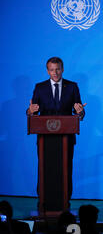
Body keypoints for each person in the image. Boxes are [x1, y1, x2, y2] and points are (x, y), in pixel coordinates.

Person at [26, 57, 86, 204]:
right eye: (52, 70)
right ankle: (44, 200)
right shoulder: (40, 87)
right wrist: (30, 111)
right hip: (45, 140)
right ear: (47, 71)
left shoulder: (72, 87)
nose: (55, 73)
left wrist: (80, 112)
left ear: (62, 69)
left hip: (66, 138)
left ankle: (65, 200)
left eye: (58, 69)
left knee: (65, 169)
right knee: (45, 169)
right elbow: (32, 112)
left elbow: (79, 112)